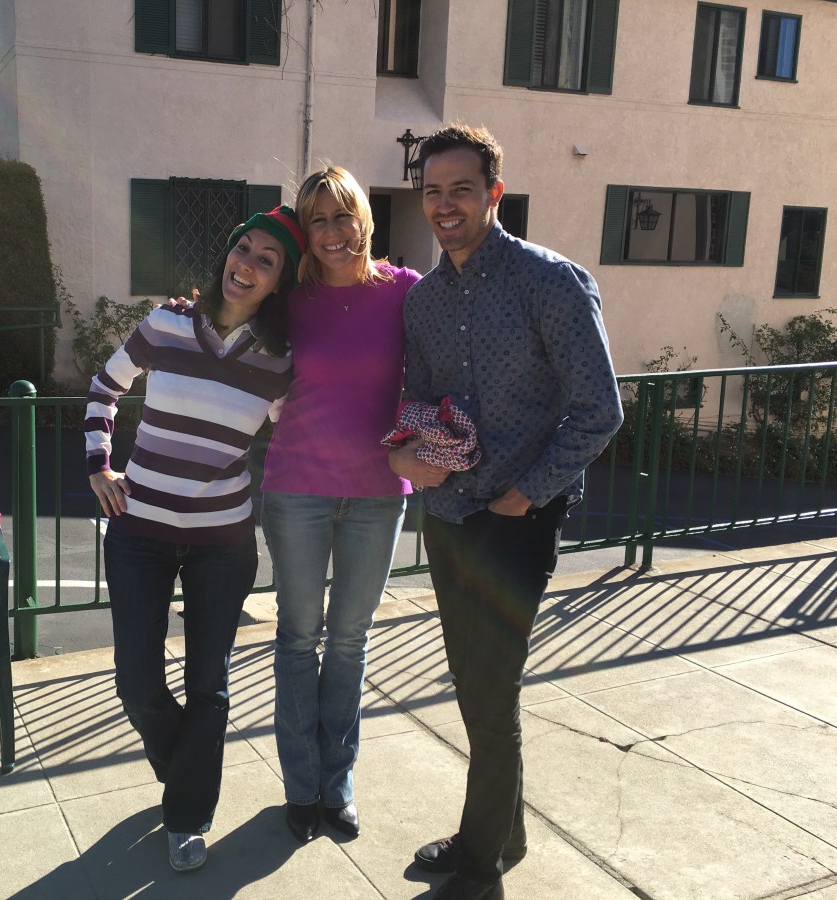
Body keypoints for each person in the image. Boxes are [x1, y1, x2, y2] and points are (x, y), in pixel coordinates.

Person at [389, 124, 623, 900]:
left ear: (494, 193)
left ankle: (479, 863)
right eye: (432, 191)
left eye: (461, 189)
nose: (444, 204)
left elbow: (600, 410)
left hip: (518, 520)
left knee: (490, 695)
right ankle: (506, 832)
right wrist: (408, 455)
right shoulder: (423, 301)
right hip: (448, 515)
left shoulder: (551, 282)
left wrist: (530, 492)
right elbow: (418, 400)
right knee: (472, 681)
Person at [85, 206, 306, 873]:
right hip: (139, 533)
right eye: (243, 248)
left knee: (209, 686)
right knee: (136, 686)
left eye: (267, 259)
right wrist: (98, 463)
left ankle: (187, 815)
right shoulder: (167, 324)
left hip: (221, 543)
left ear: (280, 281)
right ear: (226, 255)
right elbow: (104, 387)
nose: (247, 264)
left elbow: (306, 430)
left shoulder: (280, 361)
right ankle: (186, 768)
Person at [259, 166, 422, 843]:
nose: (332, 232)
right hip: (296, 487)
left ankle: (338, 782)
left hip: (379, 494)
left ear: (364, 219)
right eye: (317, 220)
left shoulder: (405, 290)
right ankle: (302, 786)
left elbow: (442, 367)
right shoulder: (288, 301)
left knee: (350, 641)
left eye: (342, 216)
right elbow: (226, 318)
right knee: (299, 638)